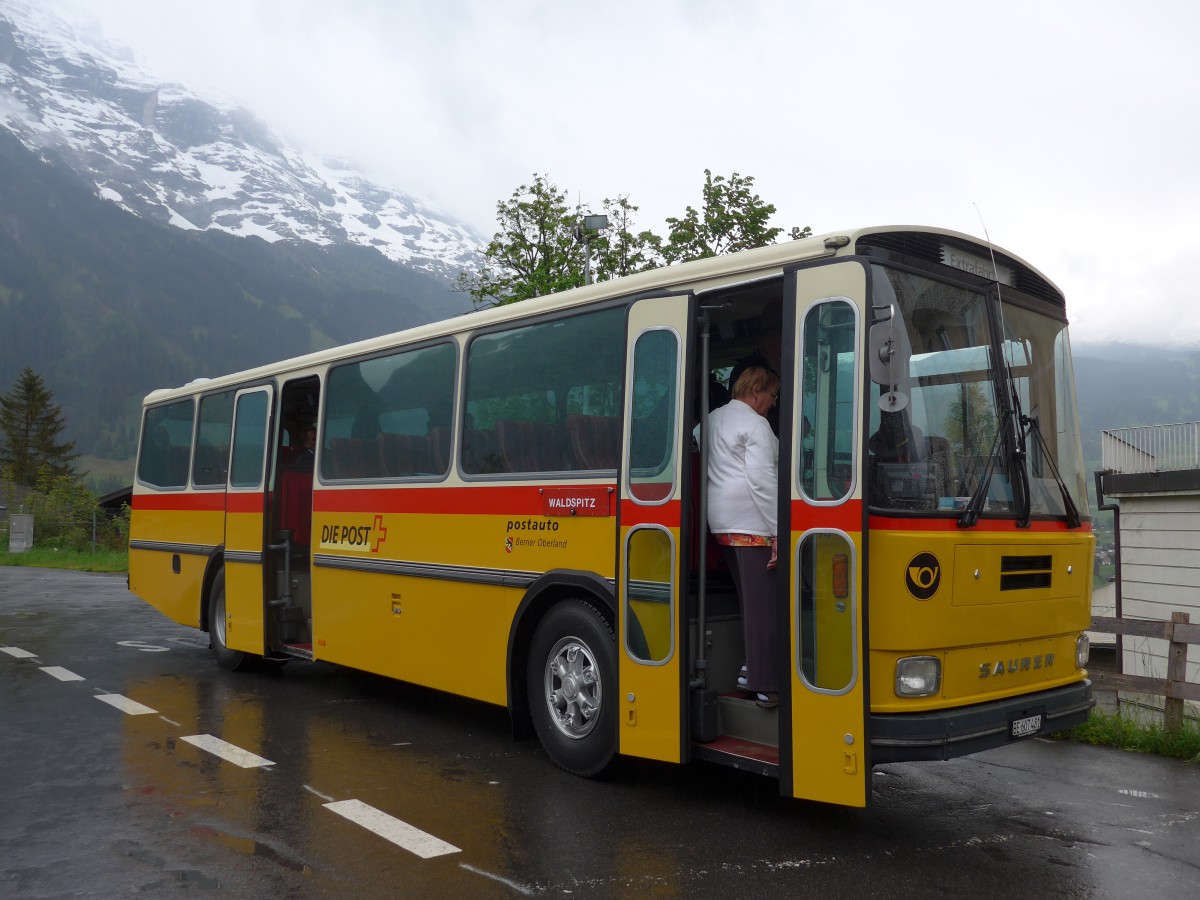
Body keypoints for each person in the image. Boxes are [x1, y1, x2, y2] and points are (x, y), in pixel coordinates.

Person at [707, 365, 780, 709]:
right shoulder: (756, 424)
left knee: (749, 603)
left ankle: (749, 667)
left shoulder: (712, 419)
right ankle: (765, 685)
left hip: (722, 524)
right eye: (771, 395)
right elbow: (762, 481)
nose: (773, 403)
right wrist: (777, 530)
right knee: (764, 606)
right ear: (755, 392)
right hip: (752, 523)